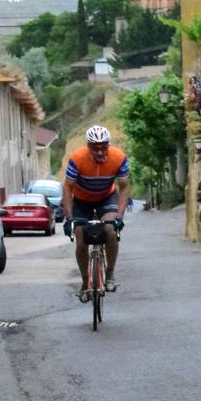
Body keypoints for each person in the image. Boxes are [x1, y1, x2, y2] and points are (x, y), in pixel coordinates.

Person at [62, 125, 131, 299]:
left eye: (103, 147)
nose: (100, 152)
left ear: (108, 145)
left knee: (110, 231)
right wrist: (69, 218)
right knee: (81, 241)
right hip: (81, 200)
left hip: (106, 198)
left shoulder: (119, 157)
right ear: (88, 146)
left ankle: (110, 274)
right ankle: (86, 282)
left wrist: (119, 217)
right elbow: (68, 188)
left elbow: (124, 188)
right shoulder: (77, 159)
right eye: (95, 148)